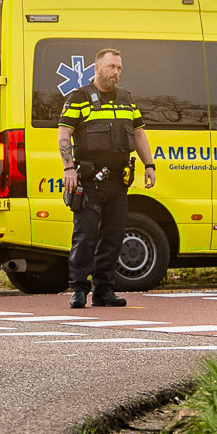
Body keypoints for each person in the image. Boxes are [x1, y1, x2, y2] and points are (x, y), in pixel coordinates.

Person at [58, 48, 156, 309]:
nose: (116, 72)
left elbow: (139, 134)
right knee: (85, 236)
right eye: (112, 67)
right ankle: (79, 289)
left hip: (118, 181)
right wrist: (69, 168)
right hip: (89, 181)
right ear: (97, 68)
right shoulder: (79, 98)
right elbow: (64, 134)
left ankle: (104, 291)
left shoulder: (126, 99)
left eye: (119, 68)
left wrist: (149, 164)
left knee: (113, 237)